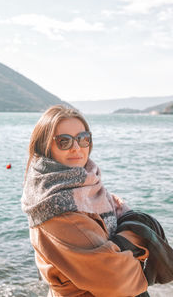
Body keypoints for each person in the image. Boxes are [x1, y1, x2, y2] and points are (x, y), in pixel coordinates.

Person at [21, 105, 149, 297]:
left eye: (83, 139)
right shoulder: (56, 206)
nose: (76, 147)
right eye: (64, 141)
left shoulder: (86, 184)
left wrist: (123, 248)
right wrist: (140, 237)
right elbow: (116, 280)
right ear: (45, 146)